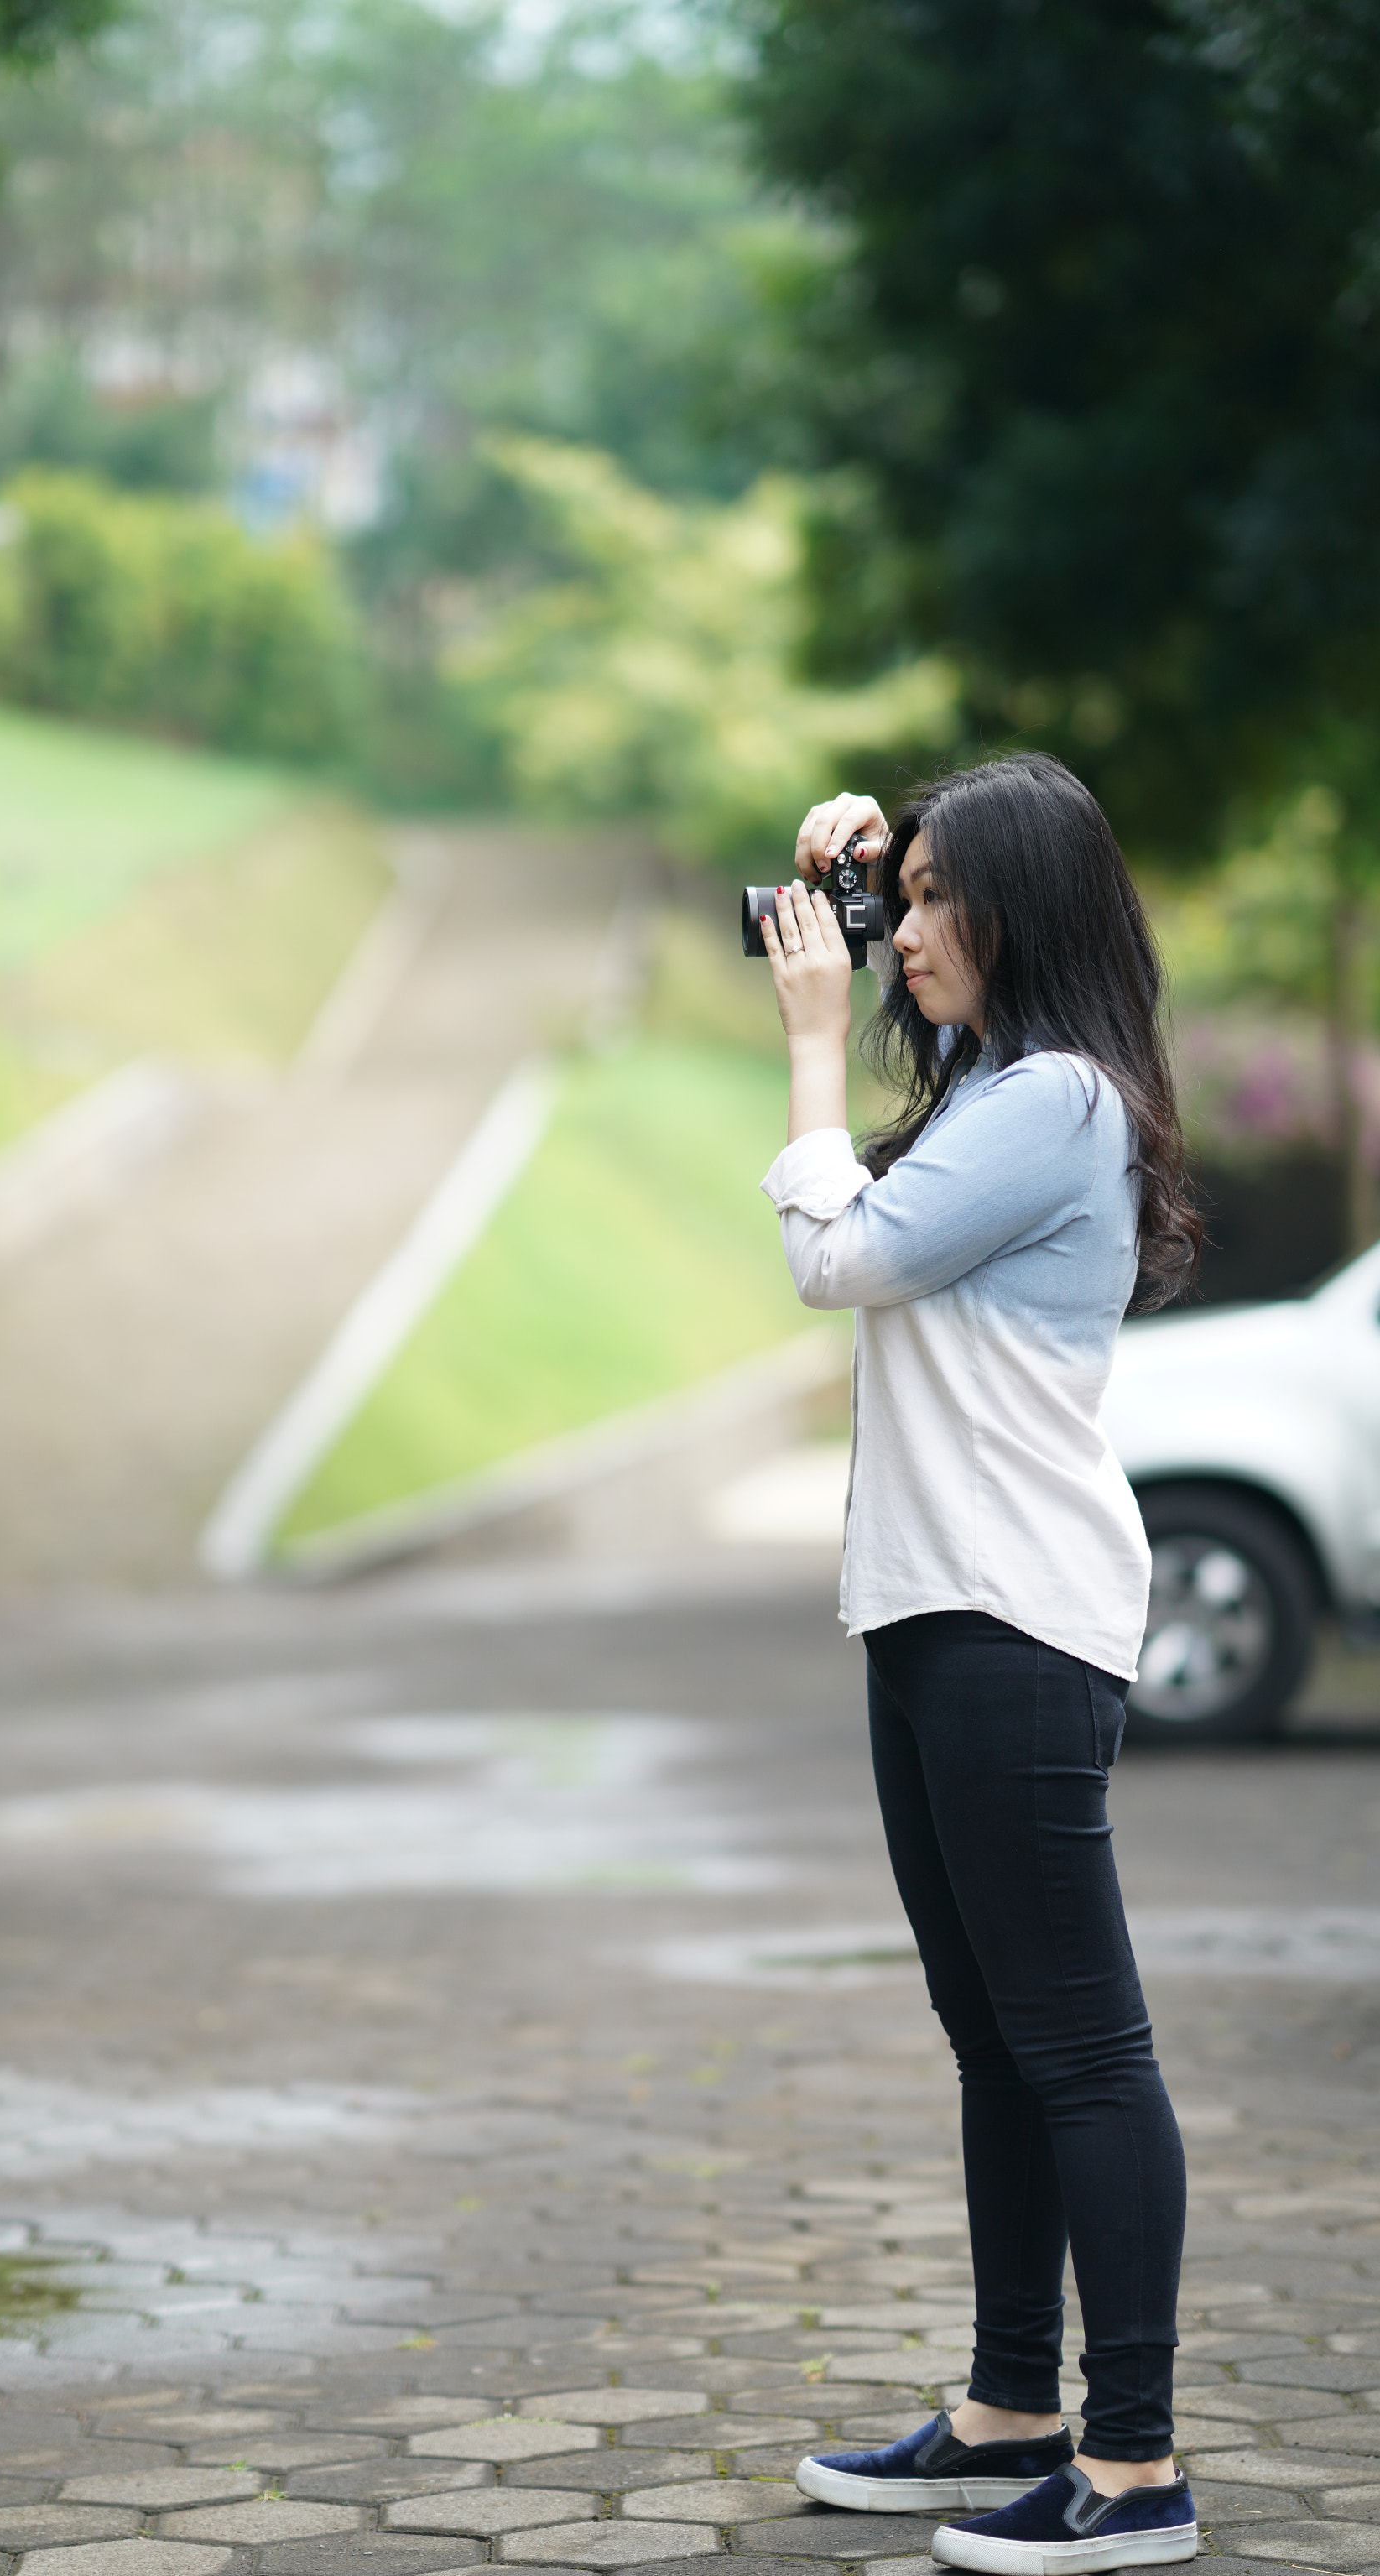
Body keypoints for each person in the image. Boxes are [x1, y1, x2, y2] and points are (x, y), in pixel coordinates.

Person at [758, 753, 1200, 2576]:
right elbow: (902, 1184)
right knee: (993, 2033)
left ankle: (1133, 2468)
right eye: (900, 894)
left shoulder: (1059, 1102)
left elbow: (841, 1256)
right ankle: (1012, 2400)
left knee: (1079, 2044)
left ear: (1022, 911)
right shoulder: (990, 1093)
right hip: (934, 1606)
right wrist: (857, 875)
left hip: (1015, 1616)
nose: (902, 932)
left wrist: (802, 1036)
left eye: (937, 900)